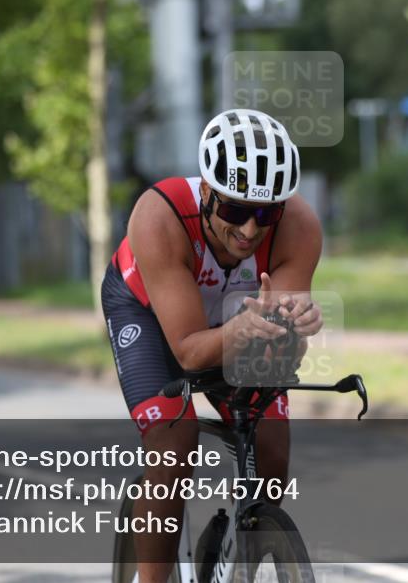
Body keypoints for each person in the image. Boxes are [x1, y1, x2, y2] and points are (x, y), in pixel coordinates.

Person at [101, 108, 324, 582]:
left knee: (271, 450)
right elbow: (187, 352)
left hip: (232, 318)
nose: (249, 230)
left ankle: (239, 565)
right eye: (235, 211)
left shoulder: (299, 227)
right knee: (174, 441)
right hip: (149, 314)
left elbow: (280, 358)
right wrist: (242, 330)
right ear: (206, 192)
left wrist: (295, 331)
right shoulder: (158, 216)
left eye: (265, 214)